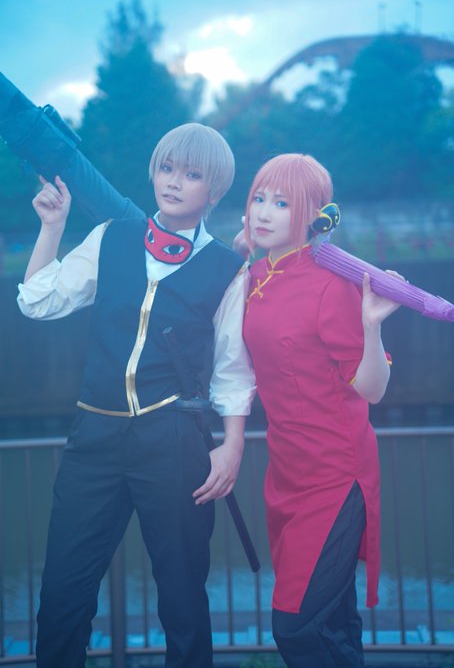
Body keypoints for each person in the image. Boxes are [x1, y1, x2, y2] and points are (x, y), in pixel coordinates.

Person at [17, 123, 256, 668]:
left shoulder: (228, 268)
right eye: (166, 168)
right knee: (62, 596)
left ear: (214, 191)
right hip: (93, 439)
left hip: (172, 440)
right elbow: (38, 302)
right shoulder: (111, 237)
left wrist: (233, 445)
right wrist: (52, 228)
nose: (173, 182)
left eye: (191, 175)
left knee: (182, 599)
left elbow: (232, 369)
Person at [238, 153, 400, 668]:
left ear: (313, 214)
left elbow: (373, 390)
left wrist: (371, 326)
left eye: (282, 203)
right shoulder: (253, 276)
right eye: (259, 198)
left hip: (336, 475)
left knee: (296, 627)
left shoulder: (332, 283)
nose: (264, 212)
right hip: (286, 473)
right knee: (331, 623)